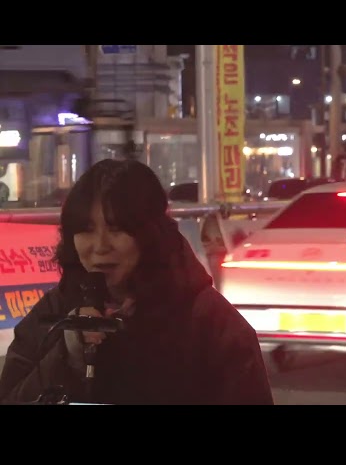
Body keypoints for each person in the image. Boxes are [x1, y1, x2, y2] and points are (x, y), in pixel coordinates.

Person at [0, 159, 274, 405]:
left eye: (117, 229)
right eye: (85, 230)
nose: (100, 246)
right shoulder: (55, 312)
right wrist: (67, 354)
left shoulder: (212, 324)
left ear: (150, 233)